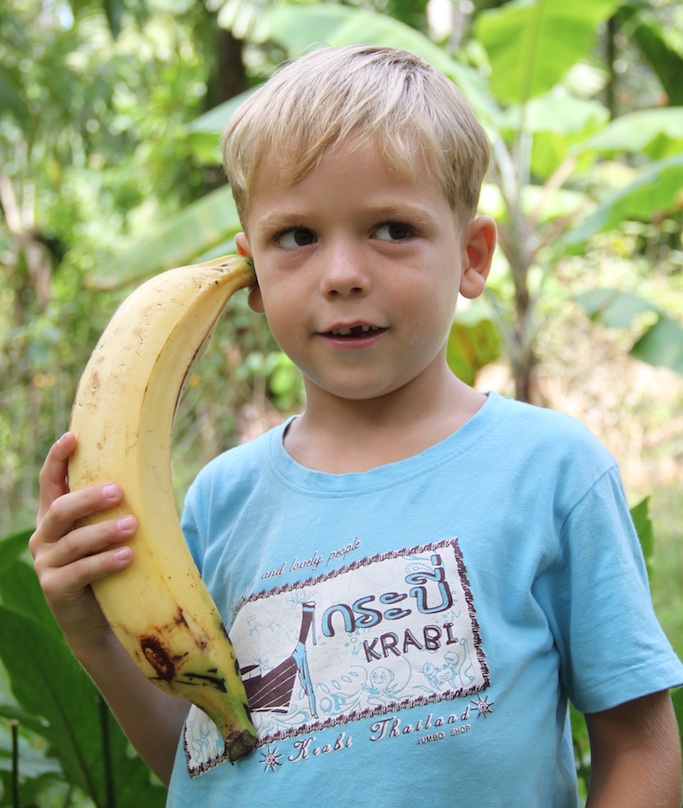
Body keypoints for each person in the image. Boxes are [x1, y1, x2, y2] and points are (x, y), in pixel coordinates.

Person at [31, 45, 683, 807]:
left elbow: (639, 746)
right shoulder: (221, 500)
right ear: (250, 274)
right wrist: (93, 634)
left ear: (472, 257)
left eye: (391, 229)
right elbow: (207, 750)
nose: (341, 273)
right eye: (297, 237)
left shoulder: (549, 472)